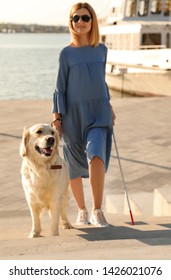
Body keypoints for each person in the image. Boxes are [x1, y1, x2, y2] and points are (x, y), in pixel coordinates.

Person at [52, 2, 115, 227]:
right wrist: (57, 118)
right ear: (71, 23)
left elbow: (101, 81)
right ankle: (82, 211)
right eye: (75, 18)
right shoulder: (66, 54)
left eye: (85, 18)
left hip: (99, 113)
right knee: (74, 163)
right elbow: (60, 88)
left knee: (96, 154)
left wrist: (110, 107)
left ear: (92, 21)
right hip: (72, 115)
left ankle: (98, 210)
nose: (80, 22)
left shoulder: (102, 50)